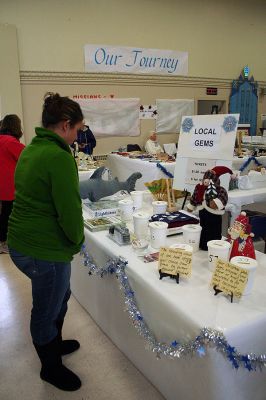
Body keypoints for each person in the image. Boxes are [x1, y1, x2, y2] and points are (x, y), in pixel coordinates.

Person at [8, 93, 85, 391]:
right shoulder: (58, 156)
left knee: (59, 296)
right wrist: (77, 240)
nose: (78, 136)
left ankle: (54, 341)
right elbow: (69, 210)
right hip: (42, 250)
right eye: (78, 129)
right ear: (65, 125)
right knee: (46, 309)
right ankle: (50, 368)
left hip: (22, 243)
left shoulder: (32, 148)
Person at [0, 114, 25, 253]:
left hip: (2, 186)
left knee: (3, 214)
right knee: (7, 215)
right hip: (8, 187)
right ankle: (4, 243)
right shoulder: (11, 142)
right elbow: (28, 157)